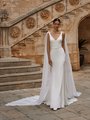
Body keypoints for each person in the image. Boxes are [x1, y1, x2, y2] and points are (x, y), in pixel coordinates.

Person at [6, 18, 81, 110]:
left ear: (59, 25)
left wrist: (65, 57)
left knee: (60, 76)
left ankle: (60, 99)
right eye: (55, 24)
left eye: (58, 24)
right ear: (52, 24)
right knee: (54, 76)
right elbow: (48, 48)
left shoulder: (63, 34)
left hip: (61, 55)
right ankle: (53, 99)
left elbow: (63, 46)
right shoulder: (48, 34)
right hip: (53, 56)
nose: (56, 25)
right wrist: (49, 58)